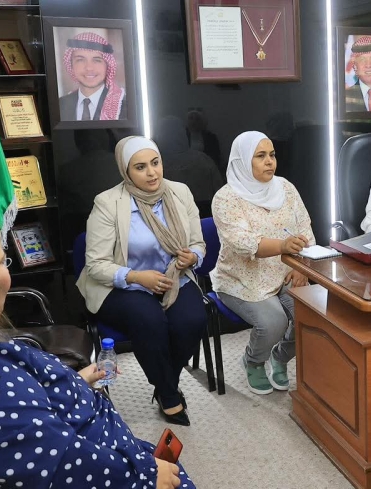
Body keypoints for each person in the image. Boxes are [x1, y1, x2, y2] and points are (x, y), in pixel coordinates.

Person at [0, 207, 192, 488]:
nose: (8, 272)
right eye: (2, 262)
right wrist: (145, 475)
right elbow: (62, 463)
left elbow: (23, 416)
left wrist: (73, 383)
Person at [78, 136, 207, 426]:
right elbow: (95, 265)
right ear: (126, 171)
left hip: (173, 278)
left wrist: (192, 257)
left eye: (155, 163)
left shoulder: (180, 192)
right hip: (124, 283)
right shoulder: (108, 203)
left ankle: (165, 382)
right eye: (140, 167)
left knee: (193, 320)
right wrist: (137, 277)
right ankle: (169, 396)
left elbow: (198, 244)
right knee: (149, 320)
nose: (151, 173)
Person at [210, 131, 315, 395]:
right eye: (260, 156)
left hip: (286, 272)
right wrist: (282, 246)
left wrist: (300, 266)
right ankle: (254, 361)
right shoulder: (226, 197)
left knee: (313, 316)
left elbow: (305, 229)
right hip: (242, 278)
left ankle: (279, 356)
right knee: (273, 322)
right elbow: (242, 242)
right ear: (243, 161)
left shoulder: (286, 188)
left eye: (272, 155)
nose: (270, 161)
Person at [154, 116, 224, 216]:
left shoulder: (154, 165)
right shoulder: (204, 159)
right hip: (205, 214)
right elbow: (220, 193)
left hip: (170, 214)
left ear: (160, 135)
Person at [59, 32, 127, 121]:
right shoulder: (61, 104)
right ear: (71, 65)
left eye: (97, 60)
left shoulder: (125, 106)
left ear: (107, 66)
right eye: (80, 60)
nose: (89, 68)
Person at [186, 109, 223, 175]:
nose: (193, 122)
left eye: (197, 119)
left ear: (202, 121)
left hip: (205, 171)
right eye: (191, 118)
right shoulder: (182, 137)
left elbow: (216, 158)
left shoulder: (211, 138)